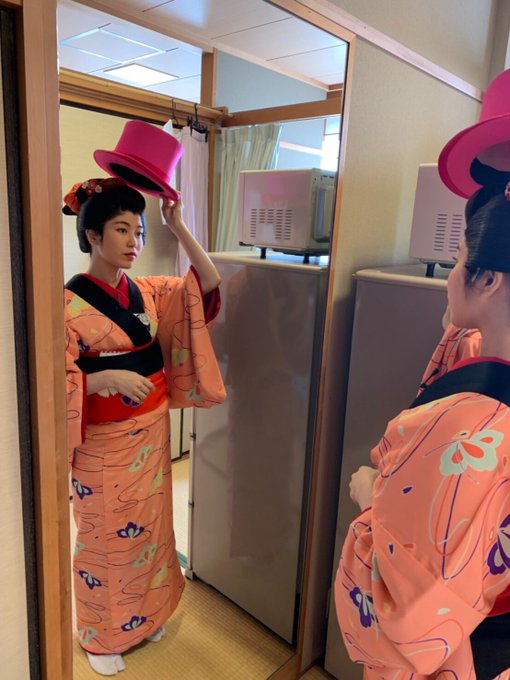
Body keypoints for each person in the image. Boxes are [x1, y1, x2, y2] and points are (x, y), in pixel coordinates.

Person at [335, 183, 510, 680]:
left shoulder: (465, 426)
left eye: (457, 260)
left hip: (465, 647)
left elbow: (404, 608)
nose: (450, 275)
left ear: (488, 279)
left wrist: (370, 496)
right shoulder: (477, 372)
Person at [64, 177, 225, 676]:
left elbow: (207, 283)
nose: (134, 241)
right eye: (121, 229)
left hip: (151, 433)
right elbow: (50, 379)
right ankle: (101, 635)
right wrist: (102, 379)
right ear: (93, 235)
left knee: (152, 530)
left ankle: (147, 615)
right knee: (104, 539)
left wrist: (177, 226)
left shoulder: (148, 291)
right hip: (103, 443)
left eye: (139, 231)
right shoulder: (64, 304)